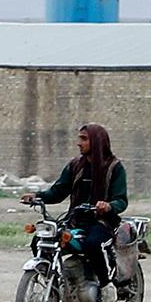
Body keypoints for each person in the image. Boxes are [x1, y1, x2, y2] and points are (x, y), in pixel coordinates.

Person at [21, 123, 128, 291]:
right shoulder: (75, 165)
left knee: (92, 244)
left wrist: (108, 206)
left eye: (84, 139)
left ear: (97, 141)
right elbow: (57, 192)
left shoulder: (114, 167)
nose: (79, 143)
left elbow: (121, 200)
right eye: (79, 139)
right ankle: (54, 286)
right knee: (40, 241)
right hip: (75, 220)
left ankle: (106, 286)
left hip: (102, 222)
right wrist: (37, 196)